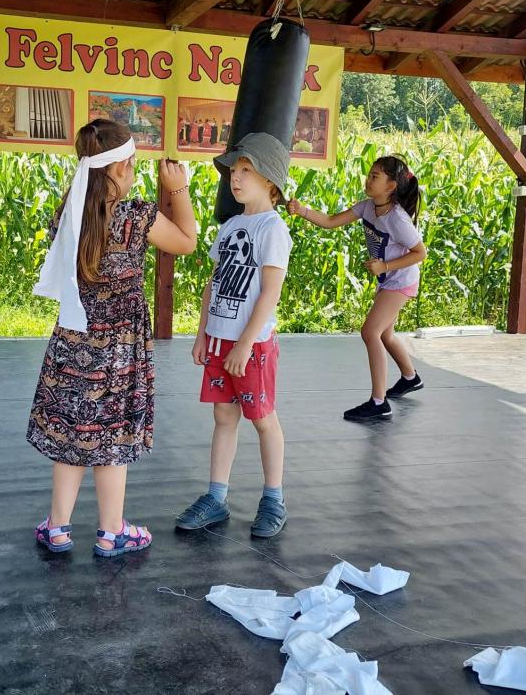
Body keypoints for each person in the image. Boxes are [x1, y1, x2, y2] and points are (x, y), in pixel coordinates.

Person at [28, 119, 198, 556]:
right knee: (112, 435)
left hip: (73, 337)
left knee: (73, 430)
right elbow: (185, 242)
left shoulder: (68, 212)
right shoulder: (138, 214)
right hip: (120, 345)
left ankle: (58, 528)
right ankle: (112, 531)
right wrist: (177, 190)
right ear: (121, 167)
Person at [175, 132, 293, 539]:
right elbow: (214, 282)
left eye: (246, 171)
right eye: (234, 172)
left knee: (262, 420)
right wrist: (202, 333)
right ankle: (216, 498)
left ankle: (274, 498)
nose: (235, 179)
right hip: (221, 340)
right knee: (223, 417)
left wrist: (245, 343)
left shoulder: (272, 229)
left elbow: (270, 293)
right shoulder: (230, 226)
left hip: (252, 345)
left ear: (270, 182)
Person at [288, 156, 426, 421]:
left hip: (400, 280)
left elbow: (420, 253)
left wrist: (385, 266)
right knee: (384, 335)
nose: (368, 179)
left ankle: (378, 402)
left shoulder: (397, 220)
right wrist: (302, 210)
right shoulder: (367, 207)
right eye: (369, 174)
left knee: (370, 332)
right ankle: (410, 377)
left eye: (375, 176)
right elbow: (330, 220)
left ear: (391, 186)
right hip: (389, 278)